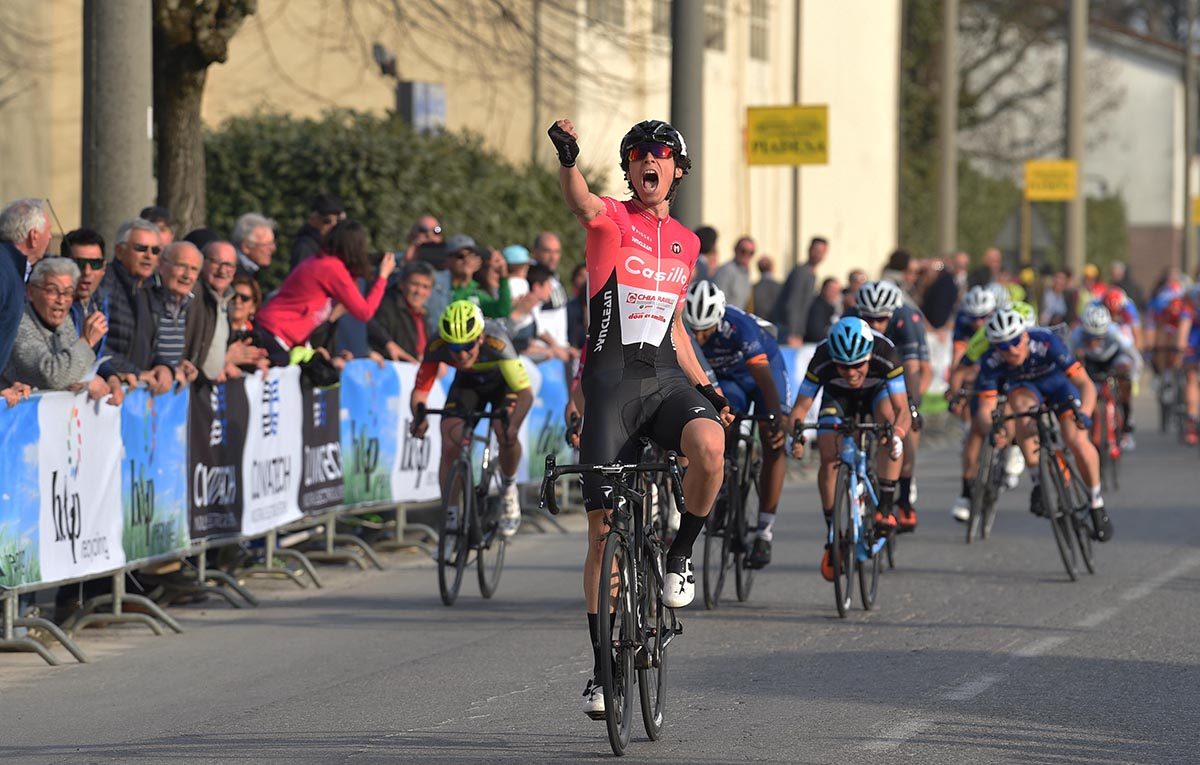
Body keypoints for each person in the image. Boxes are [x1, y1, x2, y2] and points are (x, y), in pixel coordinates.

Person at [548, 116, 729, 717]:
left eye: (659, 154)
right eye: (635, 155)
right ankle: (603, 674)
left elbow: (675, 324)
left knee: (709, 447)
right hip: (611, 387)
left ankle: (680, 554)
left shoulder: (686, 241)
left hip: (666, 379)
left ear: (676, 169)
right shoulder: (610, 220)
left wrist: (708, 385)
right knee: (602, 536)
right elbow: (580, 204)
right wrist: (570, 160)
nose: (647, 161)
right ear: (628, 170)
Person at [786, 318, 911, 577]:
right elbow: (799, 409)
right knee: (828, 451)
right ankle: (834, 532)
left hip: (877, 395)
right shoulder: (822, 357)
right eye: (843, 366)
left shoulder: (885, 352)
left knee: (888, 424)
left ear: (868, 356)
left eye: (858, 365)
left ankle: (886, 508)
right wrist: (795, 437)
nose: (852, 373)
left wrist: (897, 436)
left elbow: (903, 409)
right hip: (837, 397)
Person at [974, 308, 1113, 540]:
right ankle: (1038, 478)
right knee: (1018, 406)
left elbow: (1085, 384)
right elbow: (985, 409)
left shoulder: (1047, 343)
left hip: (1059, 387)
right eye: (1002, 346)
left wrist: (1085, 414)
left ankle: (1096, 503)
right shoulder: (991, 361)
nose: (1011, 350)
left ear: (1025, 336)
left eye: (1015, 341)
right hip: (1026, 393)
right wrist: (993, 429)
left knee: (1076, 439)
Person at [684, 281, 788, 568]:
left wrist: (777, 417)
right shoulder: (685, 329)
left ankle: (765, 531)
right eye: (695, 329)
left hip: (763, 371)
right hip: (729, 380)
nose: (700, 336)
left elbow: (762, 374)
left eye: (705, 329)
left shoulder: (738, 325)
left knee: (773, 440)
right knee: (721, 420)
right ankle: (726, 484)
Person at [410, 301, 532, 538]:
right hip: (467, 384)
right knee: (449, 442)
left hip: (502, 383)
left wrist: (513, 426)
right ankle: (451, 516)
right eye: (455, 349)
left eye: (467, 346)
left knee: (503, 430)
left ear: (480, 338)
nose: (462, 354)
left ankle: (508, 489)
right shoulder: (437, 344)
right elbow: (420, 393)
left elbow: (526, 394)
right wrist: (419, 418)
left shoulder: (498, 341)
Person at [252, 220, 396, 366]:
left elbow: (350, 292)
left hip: (278, 330)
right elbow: (364, 312)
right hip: (277, 331)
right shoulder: (332, 268)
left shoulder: (320, 261)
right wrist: (382, 277)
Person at [850, 281, 931, 531]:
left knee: (906, 432)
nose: (874, 325)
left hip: (903, 377)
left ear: (892, 314)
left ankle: (904, 499)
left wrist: (911, 407)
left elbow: (916, 370)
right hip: (864, 378)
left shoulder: (907, 319)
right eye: (869, 318)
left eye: (881, 319)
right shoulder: (850, 318)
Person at [1, 257, 116, 403]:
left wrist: (90, 379)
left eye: (68, 293)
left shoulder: (64, 320)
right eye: (52, 291)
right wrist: (86, 341)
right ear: (30, 292)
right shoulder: (18, 322)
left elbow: (74, 366)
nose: (61, 301)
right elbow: (53, 376)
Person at [98, 218, 174, 393]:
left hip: (137, 397)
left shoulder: (152, 290)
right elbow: (96, 346)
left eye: (155, 251)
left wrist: (164, 366)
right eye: (141, 248)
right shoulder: (104, 284)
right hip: (106, 392)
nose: (149, 256)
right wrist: (135, 372)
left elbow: (150, 345)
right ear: (119, 251)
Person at [184, 240, 266, 382]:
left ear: (234, 270)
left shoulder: (227, 302)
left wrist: (225, 362)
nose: (222, 270)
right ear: (203, 263)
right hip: (187, 384)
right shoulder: (192, 295)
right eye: (216, 262)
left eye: (228, 265)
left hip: (205, 387)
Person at [0, 198, 52, 378]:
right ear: (34, 236)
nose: (51, 237)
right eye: (49, 231)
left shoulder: (13, 269)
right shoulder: (4, 270)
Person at [1072, 304, 1137, 448]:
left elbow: (1134, 356)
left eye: (1099, 337)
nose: (1094, 341)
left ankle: (1127, 417)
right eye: (1090, 337)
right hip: (1090, 362)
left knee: (1125, 370)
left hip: (1113, 359)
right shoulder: (1076, 335)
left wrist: (1132, 375)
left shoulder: (1116, 333)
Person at [369, 260, 434, 362]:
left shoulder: (426, 316)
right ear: (401, 284)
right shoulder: (386, 308)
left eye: (425, 287)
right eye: (414, 284)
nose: (419, 291)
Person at [151, 242, 202, 373]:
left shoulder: (188, 304)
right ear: (161, 265)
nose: (187, 275)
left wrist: (179, 365)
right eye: (181, 266)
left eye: (194, 269)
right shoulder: (148, 299)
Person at [439, 234, 512, 319]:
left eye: (471, 255)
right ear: (448, 260)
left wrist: (503, 277)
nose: (467, 260)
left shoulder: (476, 292)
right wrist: (463, 282)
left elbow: (502, 311)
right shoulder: (438, 287)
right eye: (460, 256)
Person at [773, 236, 827, 346]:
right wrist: (793, 333)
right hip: (788, 330)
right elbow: (793, 304)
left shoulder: (811, 274)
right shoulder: (802, 273)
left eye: (822, 252)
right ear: (809, 250)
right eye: (816, 250)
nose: (818, 254)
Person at [62, 228, 108, 350]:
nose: (87, 272)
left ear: (104, 268)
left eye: (95, 264)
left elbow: (99, 356)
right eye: (79, 263)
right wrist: (86, 342)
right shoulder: (52, 307)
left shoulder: (102, 302)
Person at [532, 231, 569, 347]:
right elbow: (533, 321)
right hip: (543, 352)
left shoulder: (554, 279)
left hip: (559, 351)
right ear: (535, 251)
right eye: (547, 251)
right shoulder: (531, 279)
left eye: (556, 252)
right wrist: (556, 347)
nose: (553, 257)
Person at [290, 193, 345, 270]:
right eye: (327, 221)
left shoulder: (330, 245)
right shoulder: (305, 247)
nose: (332, 226)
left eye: (338, 222)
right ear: (313, 219)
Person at [232, 212, 277, 282]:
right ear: (246, 247)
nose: (273, 248)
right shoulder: (233, 272)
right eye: (267, 245)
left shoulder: (254, 270)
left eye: (272, 243)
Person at [712, 236, 755, 310]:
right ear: (735, 250)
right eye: (743, 251)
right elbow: (717, 301)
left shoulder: (746, 272)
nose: (747, 255)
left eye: (751, 253)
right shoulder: (726, 270)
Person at [803, 277, 842, 343]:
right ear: (823, 289)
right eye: (831, 290)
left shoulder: (833, 306)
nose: (834, 293)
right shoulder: (816, 307)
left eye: (836, 291)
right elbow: (816, 333)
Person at [751, 254, 782, 322]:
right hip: (776, 325)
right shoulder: (780, 287)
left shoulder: (753, 288)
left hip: (758, 323)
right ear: (772, 267)